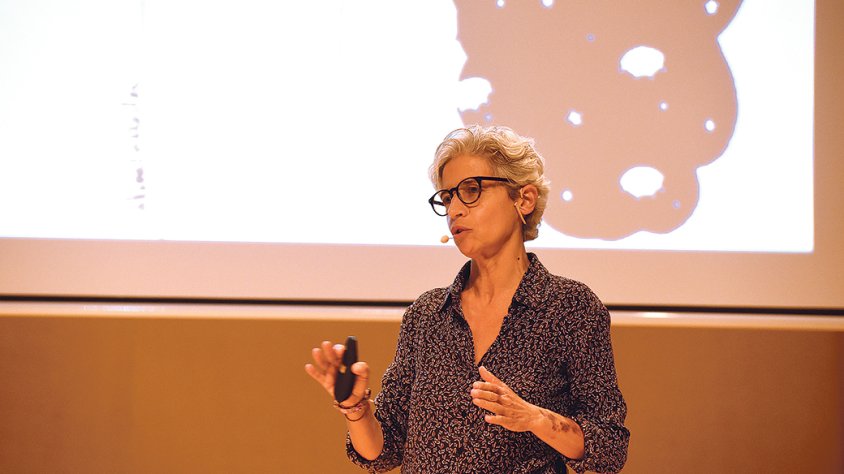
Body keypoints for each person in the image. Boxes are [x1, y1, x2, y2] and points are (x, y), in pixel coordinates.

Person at [305, 125, 629, 473]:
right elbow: (383, 452)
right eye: (447, 198)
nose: (455, 210)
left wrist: (535, 418)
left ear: (524, 199)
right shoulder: (428, 314)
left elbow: (609, 448)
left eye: (471, 191)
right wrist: (356, 407)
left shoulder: (569, 307)